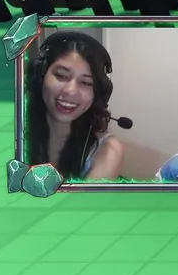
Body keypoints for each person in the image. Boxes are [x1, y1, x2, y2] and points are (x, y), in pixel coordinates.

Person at [25, 30, 125, 181]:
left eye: (86, 82)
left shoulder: (108, 151)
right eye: (61, 75)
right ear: (40, 77)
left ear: (98, 94)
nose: (71, 91)